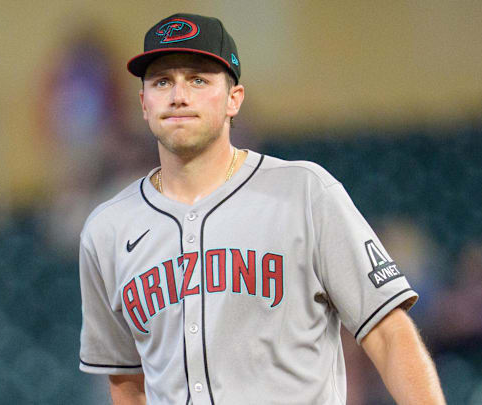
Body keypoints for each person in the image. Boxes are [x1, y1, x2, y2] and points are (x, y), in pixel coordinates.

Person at [78, 13, 445, 405]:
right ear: (144, 104)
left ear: (234, 99)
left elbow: (390, 335)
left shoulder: (305, 192)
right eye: (162, 81)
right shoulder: (107, 229)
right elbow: (124, 378)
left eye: (198, 80)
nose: (178, 95)